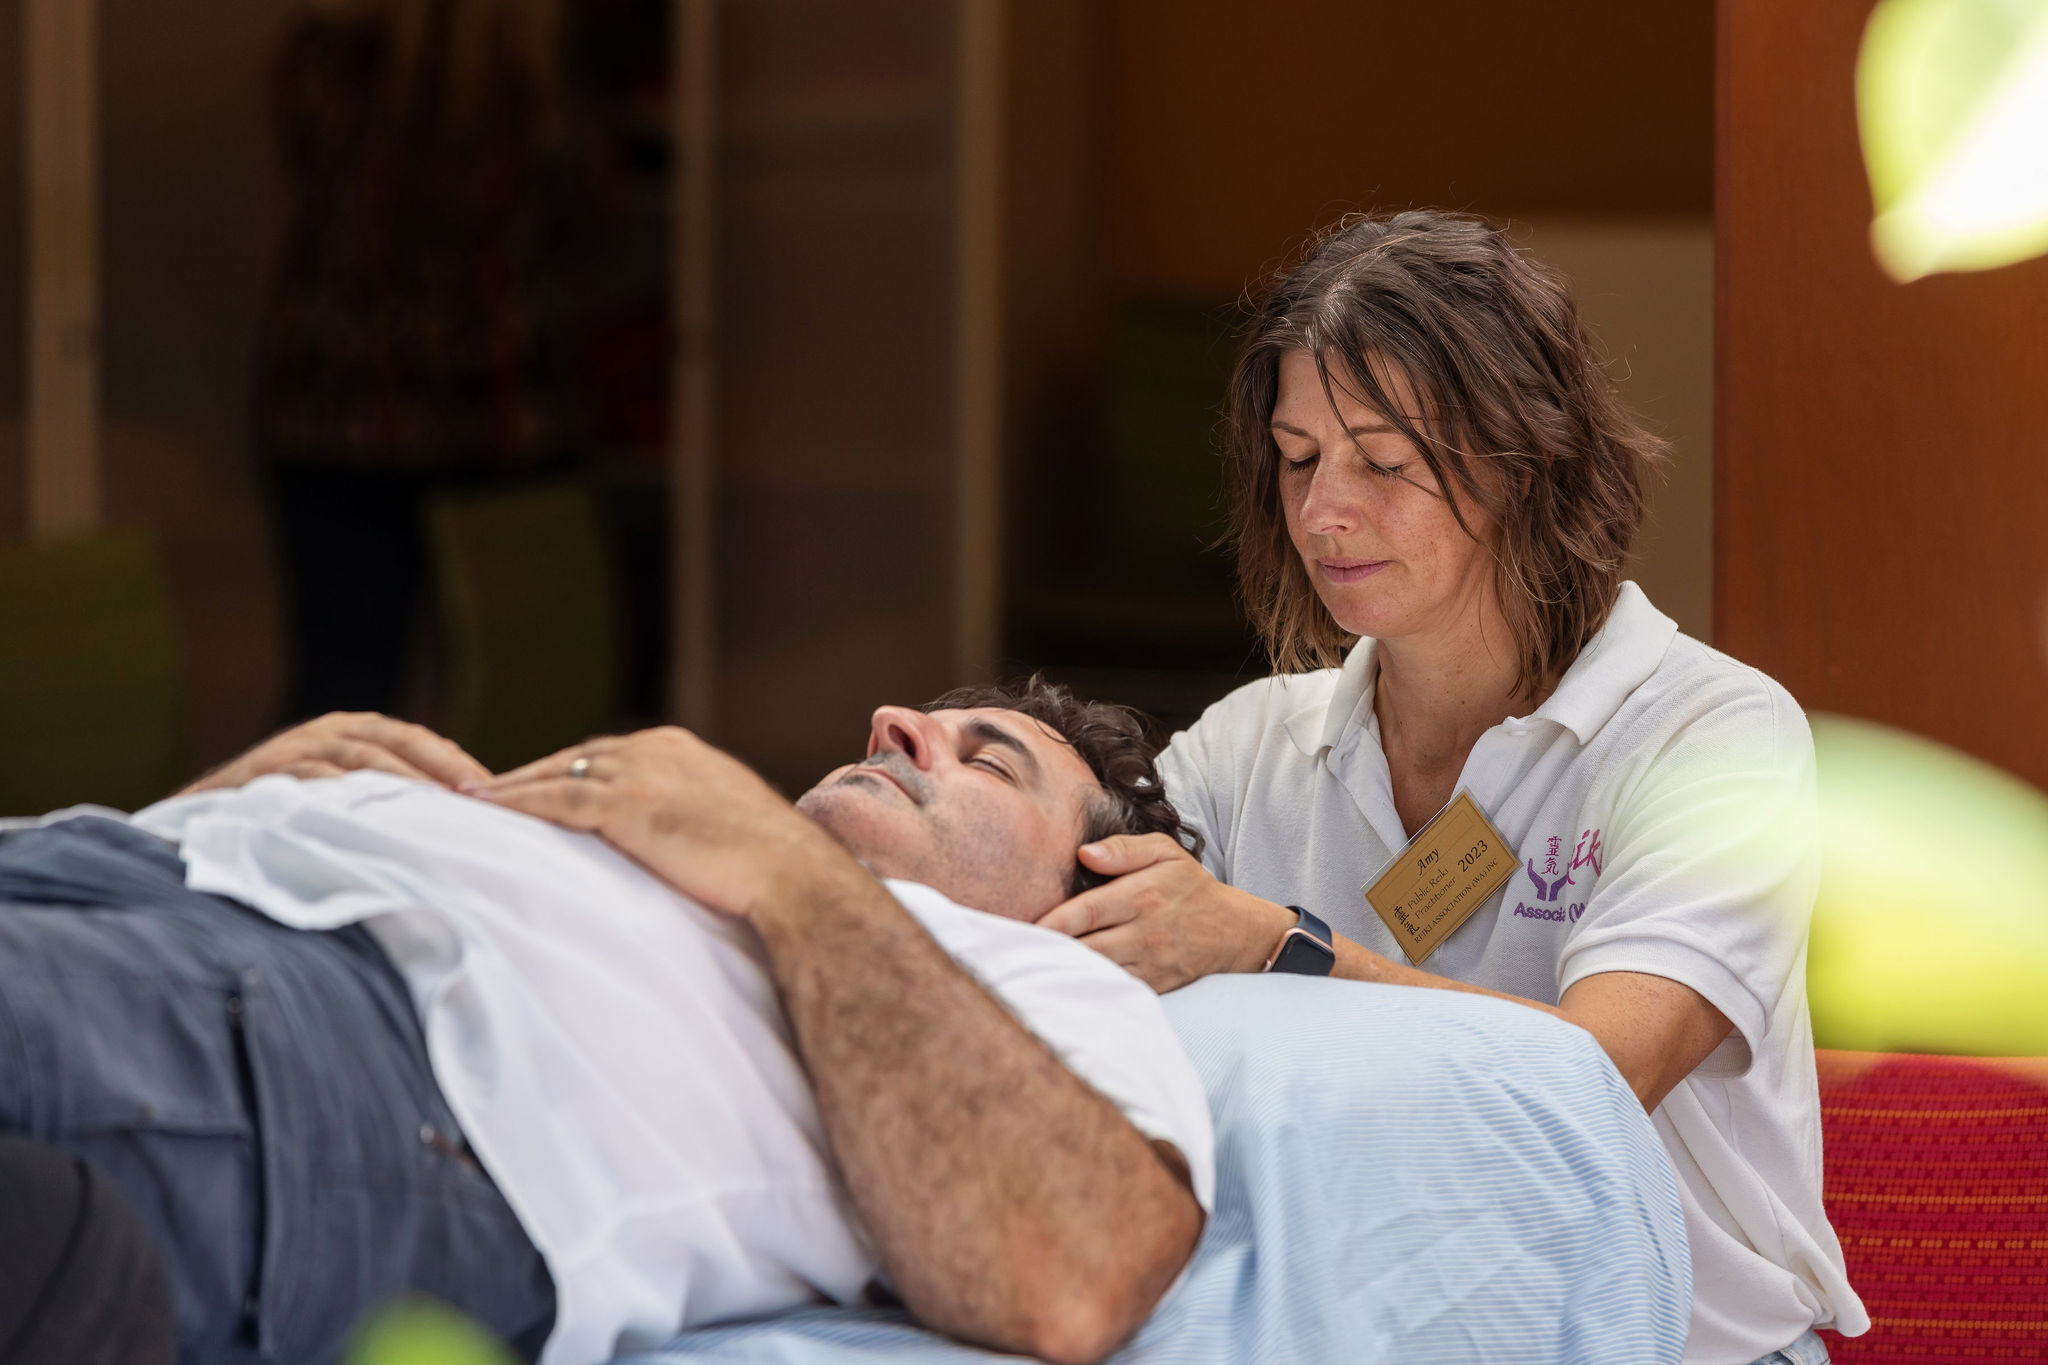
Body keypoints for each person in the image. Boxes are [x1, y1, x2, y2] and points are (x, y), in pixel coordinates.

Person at [1035, 211, 1868, 1365]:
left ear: (1526, 468)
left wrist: (1280, 944)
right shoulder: (1246, 748)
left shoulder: (1709, 732)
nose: (1322, 511)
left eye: (1380, 462)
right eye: (1295, 458)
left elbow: (1597, 1070)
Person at [0, 680, 1211, 1365]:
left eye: (984, 761)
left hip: (345, 1045)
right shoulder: (677, 855)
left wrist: (786, 871)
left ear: (1089, 881)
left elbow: (1082, 1270)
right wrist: (209, 810)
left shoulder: (1052, 985)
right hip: (113, 881)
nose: (897, 724)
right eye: (917, 725)